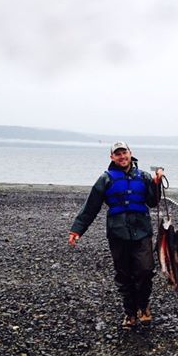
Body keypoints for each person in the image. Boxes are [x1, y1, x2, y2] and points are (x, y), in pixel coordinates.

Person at [68, 141, 164, 329]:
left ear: (131, 153)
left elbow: (152, 202)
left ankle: (143, 306)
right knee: (124, 274)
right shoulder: (106, 179)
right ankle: (130, 313)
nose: (122, 157)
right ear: (112, 157)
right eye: (117, 154)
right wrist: (77, 230)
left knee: (145, 271)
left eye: (124, 153)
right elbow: (90, 207)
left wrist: (157, 184)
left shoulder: (143, 177)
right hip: (117, 233)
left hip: (142, 231)